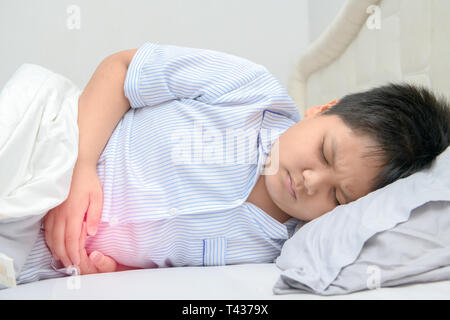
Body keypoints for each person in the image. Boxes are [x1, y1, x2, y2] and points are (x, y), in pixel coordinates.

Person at [17, 42, 450, 283]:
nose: (311, 179)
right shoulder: (249, 92)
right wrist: (80, 169)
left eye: (338, 196)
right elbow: (123, 70)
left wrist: (114, 267)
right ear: (323, 108)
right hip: (52, 143)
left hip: (43, 251)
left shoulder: (273, 249)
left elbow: (163, 259)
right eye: (324, 152)